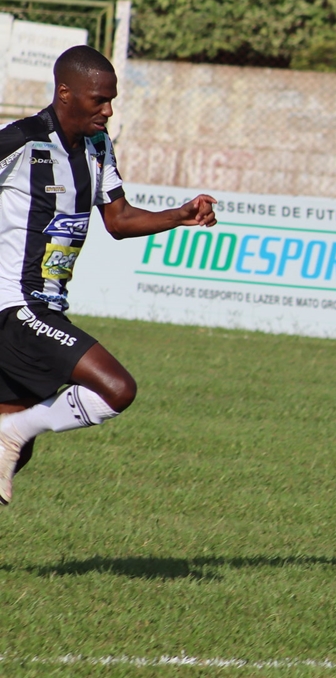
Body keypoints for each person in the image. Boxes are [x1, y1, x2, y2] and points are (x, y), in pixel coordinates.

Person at [0, 45, 218, 504]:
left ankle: (12, 434)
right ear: (65, 93)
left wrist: (179, 215)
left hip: (48, 307)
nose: (108, 110)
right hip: (14, 306)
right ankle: (13, 432)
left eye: (112, 99)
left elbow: (118, 220)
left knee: (14, 455)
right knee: (116, 388)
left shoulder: (98, 147)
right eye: (99, 100)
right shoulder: (20, 141)